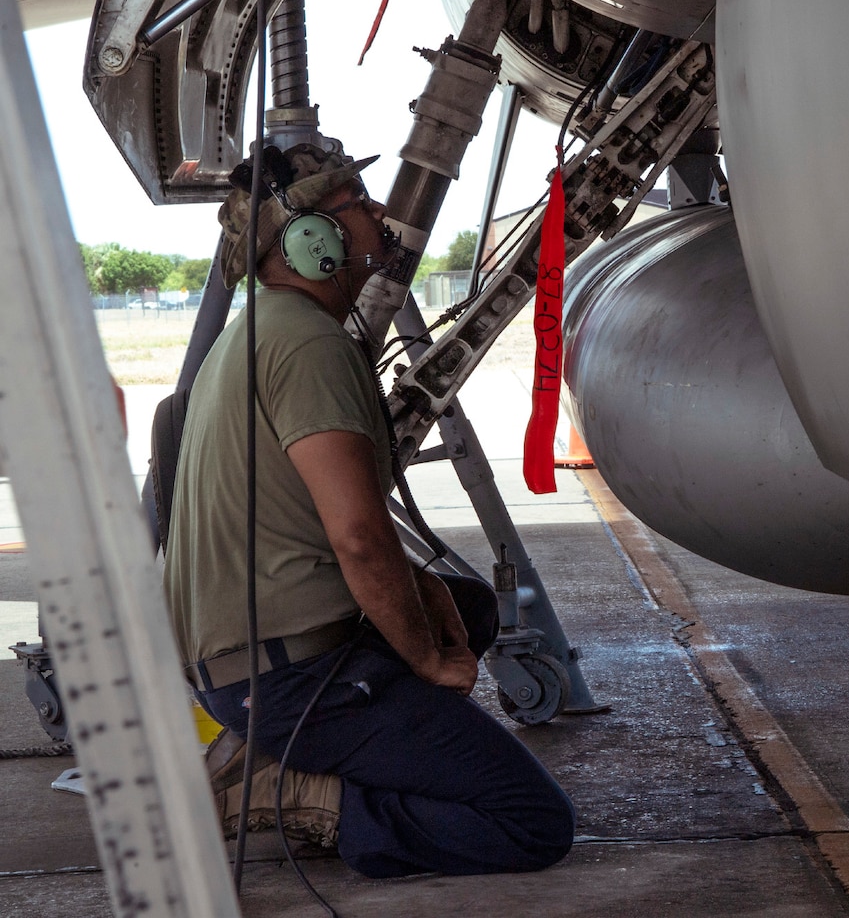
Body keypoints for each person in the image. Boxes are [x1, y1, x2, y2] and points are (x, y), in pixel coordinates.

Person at [163, 142, 575, 877]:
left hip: (252, 658)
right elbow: (355, 536)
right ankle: (306, 793)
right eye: (358, 204)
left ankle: (285, 745)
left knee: (465, 607)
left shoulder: (263, 331)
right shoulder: (307, 346)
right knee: (530, 823)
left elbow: (337, 521)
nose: (381, 215)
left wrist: (425, 603)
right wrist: (423, 658)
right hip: (289, 672)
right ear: (309, 240)